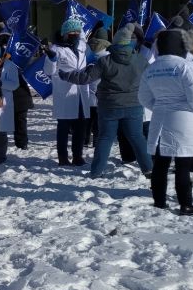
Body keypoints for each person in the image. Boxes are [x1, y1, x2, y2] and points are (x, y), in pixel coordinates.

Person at [60, 24, 153, 179]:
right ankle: (149, 169)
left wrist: (65, 75)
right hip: (133, 105)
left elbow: (85, 78)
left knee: (105, 138)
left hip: (109, 106)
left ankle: (96, 172)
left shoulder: (105, 61)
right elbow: (151, 81)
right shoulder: (141, 60)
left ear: (115, 43)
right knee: (137, 137)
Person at [139, 30, 193, 214]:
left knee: (160, 163)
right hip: (183, 118)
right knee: (183, 164)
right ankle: (186, 204)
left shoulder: (151, 68)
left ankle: (159, 202)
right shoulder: (185, 66)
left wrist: (158, 106)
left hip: (159, 117)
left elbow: (143, 97)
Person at [45, 18, 93, 166]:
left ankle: (78, 156)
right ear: (65, 34)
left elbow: (89, 61)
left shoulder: (82, 47)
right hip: (64, 93)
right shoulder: (56, 49)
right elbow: (48, 72)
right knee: (64, 128)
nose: (75, 34)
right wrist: (52, 60)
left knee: (80, 128)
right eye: (72, 32)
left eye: (77, 32)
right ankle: (63, 157)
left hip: (81, 93)